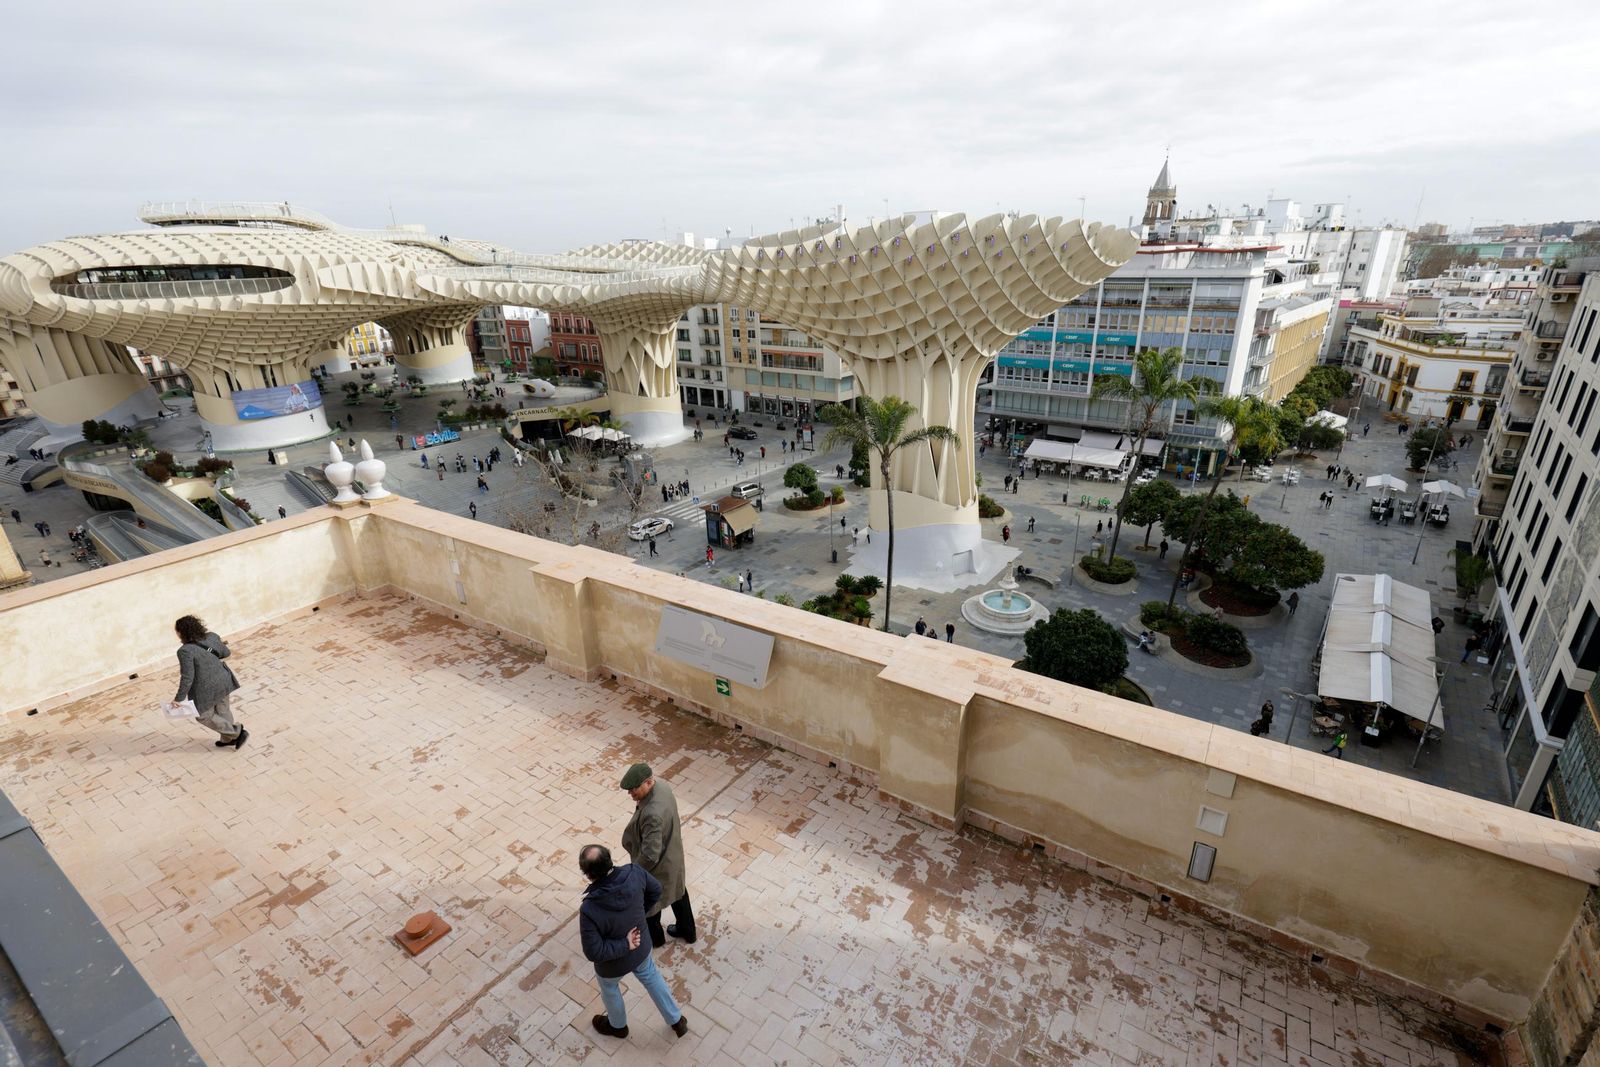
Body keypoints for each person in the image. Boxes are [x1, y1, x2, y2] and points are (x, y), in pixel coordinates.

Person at [577, 843, 690, 1040]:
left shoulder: (589, 908)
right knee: (651, 976)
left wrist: (624, 944)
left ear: (587, 874)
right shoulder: (634, 872)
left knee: (610, 988)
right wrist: (639, 915)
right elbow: (656, 890)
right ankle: (676, 1020)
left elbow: (593, 952)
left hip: (612, 964)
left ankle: (618, 1026)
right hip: (640, 946)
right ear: (610, 859)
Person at [619, 763, 696, 947]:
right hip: (673, 855)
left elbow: (650, 854)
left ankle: (657, 940)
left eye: (633, 789)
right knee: (678, 893)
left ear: (647, 782)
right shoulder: (662, 786)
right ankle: (689, 932)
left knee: (650, 906)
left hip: (658, 867)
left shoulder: (652, 813)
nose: (631, 794)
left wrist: (634, 872)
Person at [172, 615, 246, 750]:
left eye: (177, 630)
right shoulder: (212, 636)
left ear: (182, 632)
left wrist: (179, 699)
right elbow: (226, 652)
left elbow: (187, 677)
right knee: (223, 710)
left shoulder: (184, 651)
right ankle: (227, 739)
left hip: (205, 688)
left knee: (202, 716)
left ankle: (237, 732)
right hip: (224, 679)